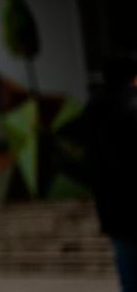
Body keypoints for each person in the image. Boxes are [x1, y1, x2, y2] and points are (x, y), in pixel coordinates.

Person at [85, 54, 137, 291]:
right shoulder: (130, 103)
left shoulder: (93, 108)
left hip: (111, 205)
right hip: (129, 198)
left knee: (128, 271)